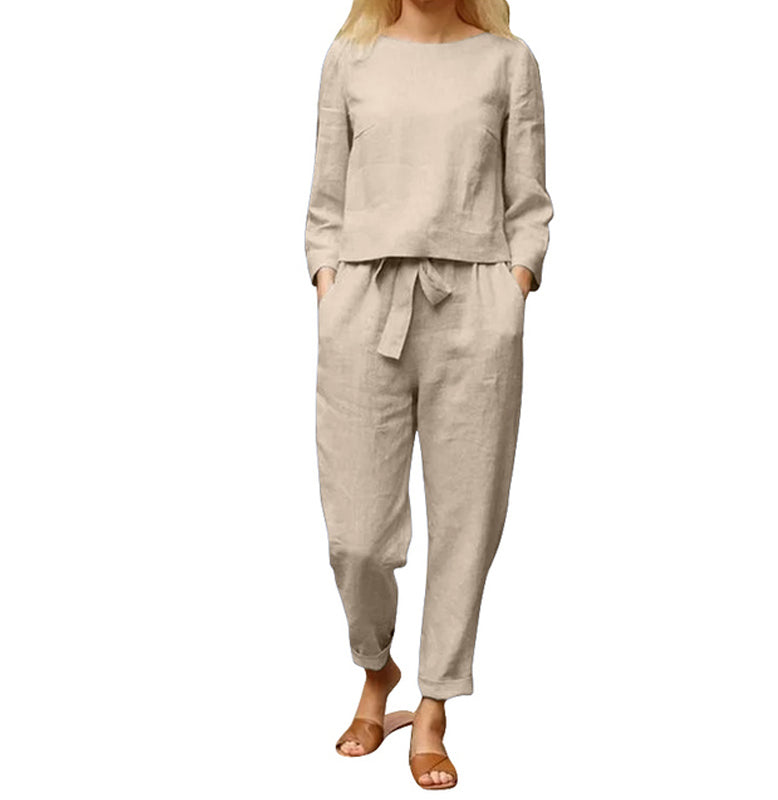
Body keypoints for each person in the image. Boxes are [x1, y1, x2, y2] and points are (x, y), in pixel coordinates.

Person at [304, 0, 554, 789]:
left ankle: (435, 702)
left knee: (465, 523)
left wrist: (514, 288)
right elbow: (325, 201)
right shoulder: (350, 56)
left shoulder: (508, 61)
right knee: (356, 533)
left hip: (475, 308)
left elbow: (529, 202)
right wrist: (328, 282)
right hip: (365, 302)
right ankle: (375, 667)